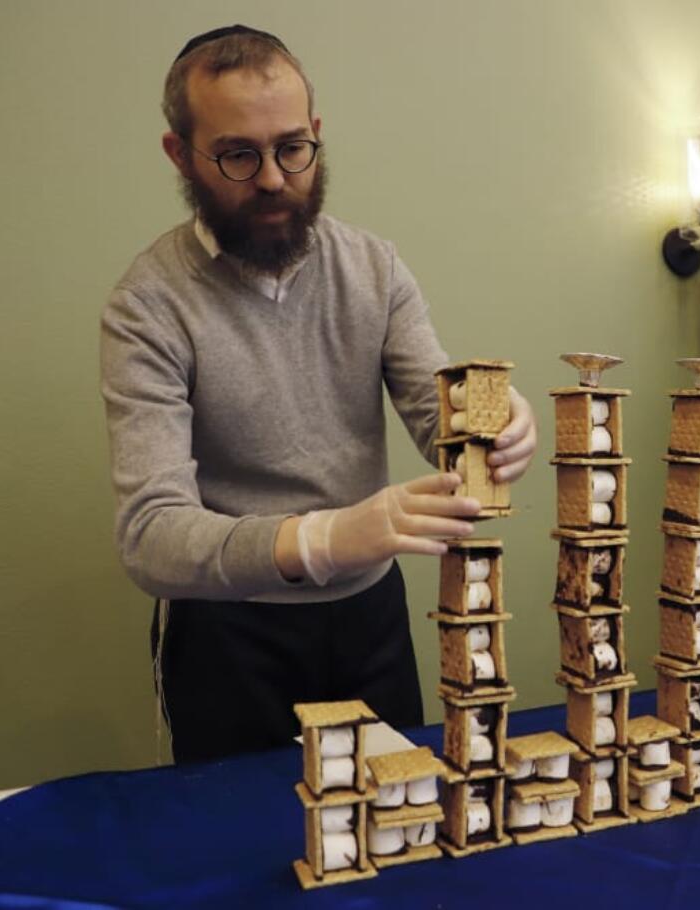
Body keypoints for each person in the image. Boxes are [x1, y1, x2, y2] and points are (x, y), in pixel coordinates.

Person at [99, 25, 537, 764]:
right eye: (239, 154)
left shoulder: (374, 268)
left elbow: (440, 419)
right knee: (241, 855)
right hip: (229, 636)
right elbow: (150, 537)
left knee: (399, 834)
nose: (273, 177)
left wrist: (494, 427)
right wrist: (321, 538)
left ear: (316, 136)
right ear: (181, 154)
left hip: (370, 621)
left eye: (292, 148)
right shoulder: (147, 305)